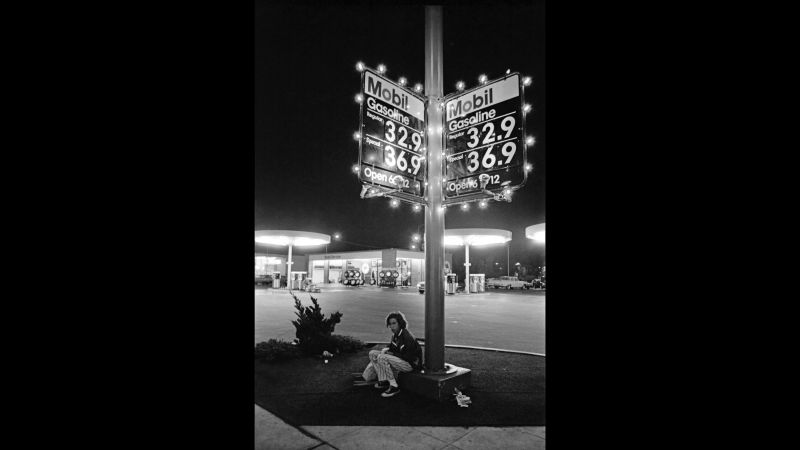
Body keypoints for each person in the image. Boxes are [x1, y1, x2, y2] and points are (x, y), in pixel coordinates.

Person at [354, 311, 422, 398]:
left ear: (400, 323)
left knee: (382, 357)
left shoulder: (407, 336)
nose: (392, 326)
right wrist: (387, 349)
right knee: (373, 353)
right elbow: (392, 347)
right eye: (390, 324)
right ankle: (384, 380)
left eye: (394, 323)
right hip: (402, 360)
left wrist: (392, 354)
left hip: (411, 365)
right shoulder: (396, 335)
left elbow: (409, 357)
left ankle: (394, 386)